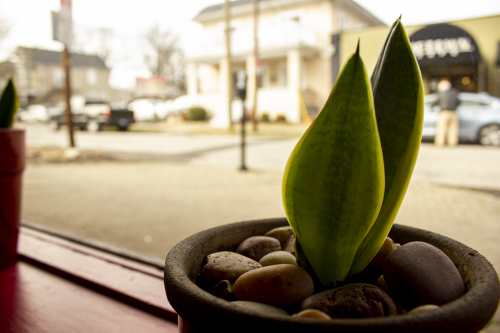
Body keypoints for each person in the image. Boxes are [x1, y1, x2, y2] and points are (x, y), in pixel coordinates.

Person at [432, 79, 460, 147]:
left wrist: (431, 107)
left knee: (441, 128)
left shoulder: (441, 94)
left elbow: (436, 102)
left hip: (443, 112)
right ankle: (452, 143)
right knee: (453, 129)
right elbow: (458, 102)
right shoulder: (454, 93)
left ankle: (440, 143)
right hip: (453, 112)